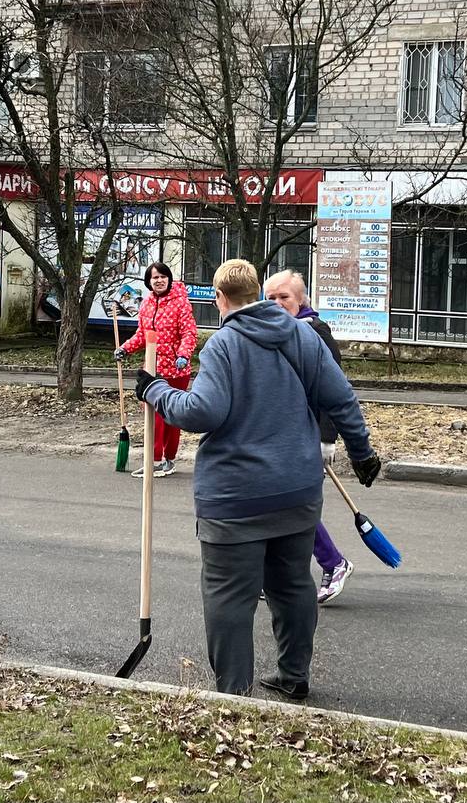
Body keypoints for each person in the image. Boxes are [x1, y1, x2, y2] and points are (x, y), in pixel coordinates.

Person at [136, 259, 382, 699]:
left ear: (220, 298)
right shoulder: (303, 336)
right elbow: (342, 398)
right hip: (297, 490)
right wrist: (362, 453)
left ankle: (235, 695)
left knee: (230, 596)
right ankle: (294, 676)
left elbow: (202, 412)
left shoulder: (223, 345)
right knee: (293, 585)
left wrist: (155, 390)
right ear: (257, 293)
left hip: (235, 499)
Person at [264, 269, 354, 605]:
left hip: (308, 434)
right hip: (277, 433)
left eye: (284, 297)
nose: (277, 303)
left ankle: (333, 563)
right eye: (270, 298)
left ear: (301, 299)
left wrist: (327, 437)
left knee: (292, 505)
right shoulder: (272, 330)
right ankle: (276, 574)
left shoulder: (315, 331)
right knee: (274, 502)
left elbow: (336, 389)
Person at [115, 261, 198, 477]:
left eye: (163, 276)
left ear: (169, 279)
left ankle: (168, 460)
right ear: (149, 281)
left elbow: (189, 333)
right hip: (153, 371)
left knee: (172, 417)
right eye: (155, 277)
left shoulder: (181, 302)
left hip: (177, 371)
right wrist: (124, 348)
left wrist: (183, 355)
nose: (159, 280)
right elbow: (142, 335)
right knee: (154, 417)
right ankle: (154, 460)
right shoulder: (146, 304)